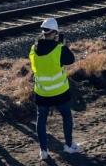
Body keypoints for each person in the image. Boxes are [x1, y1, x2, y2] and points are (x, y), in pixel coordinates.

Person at [30, 18, 81, 160]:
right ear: (54, 33)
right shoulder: (59, 49)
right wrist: (63, 45)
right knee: (66, 117)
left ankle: (43, 151)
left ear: (43, 32)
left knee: (41, 121)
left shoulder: (33, 49)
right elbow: (71, 59)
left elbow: (34, 66)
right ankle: (69, 145)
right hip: (59, 92)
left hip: (41, 92)